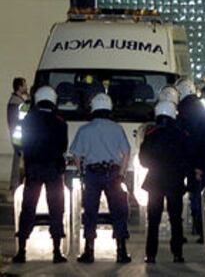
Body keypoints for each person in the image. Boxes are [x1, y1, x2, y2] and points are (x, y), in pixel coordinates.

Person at [70, 93, 131, 264]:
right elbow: (126, 152)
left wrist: (81, 171)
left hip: (92, 174)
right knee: (118, 212)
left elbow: (76, 154)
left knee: (90, 213)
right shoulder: (117, 128)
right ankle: (121, 251)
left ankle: (89, 251)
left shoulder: (85, 129)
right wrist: (122, 173)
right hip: (113, 173)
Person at [13, 86, 68, 264]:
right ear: (53, 100)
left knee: (28, 208)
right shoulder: (60, 121)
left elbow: (19, 142)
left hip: (33, 168)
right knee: (56, 209)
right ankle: (57, 251)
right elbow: (63, 147)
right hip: (53, 170)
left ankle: (21, 250)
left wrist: (25, 154)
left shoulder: (28, 119)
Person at [139, 100, 190, 263]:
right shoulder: (181, 135)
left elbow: (143, 160)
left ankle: (151, 254)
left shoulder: (151, 134)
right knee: (176, 219)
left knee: (153, 219)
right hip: (175, 181)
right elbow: (187, 159)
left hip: (155, 181)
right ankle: (177, 253)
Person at [175, 78, 205, 243]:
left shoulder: (184, 110)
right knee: (197, 193)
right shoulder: (200, 108)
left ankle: (192, 226)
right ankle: (199, 227)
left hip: (186, 158)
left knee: (184, 194)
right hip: (198, 158)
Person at [7, 77, 28, 193]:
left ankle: (15, 184)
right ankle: (15, 184)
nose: (26, 87)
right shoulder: (16, 102)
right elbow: (23, 116)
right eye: (25, 85)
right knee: (18, 159)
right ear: (19, 87)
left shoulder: (16, 100)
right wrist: (29, 102)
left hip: (16, 134)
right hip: (18, 135)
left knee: (17, 158)